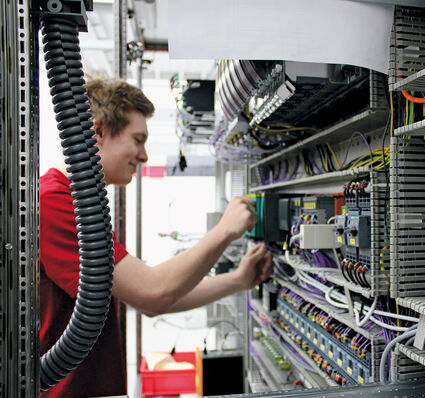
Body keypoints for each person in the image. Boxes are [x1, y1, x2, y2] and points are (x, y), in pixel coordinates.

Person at [39, 77, 273, 397]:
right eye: (138, 140)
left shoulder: (81, 205)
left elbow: (149, 299)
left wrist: (238, 280)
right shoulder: (54, 202)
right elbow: (153, 292)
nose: (145, 155)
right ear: (98, 132)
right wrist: (225, 230)